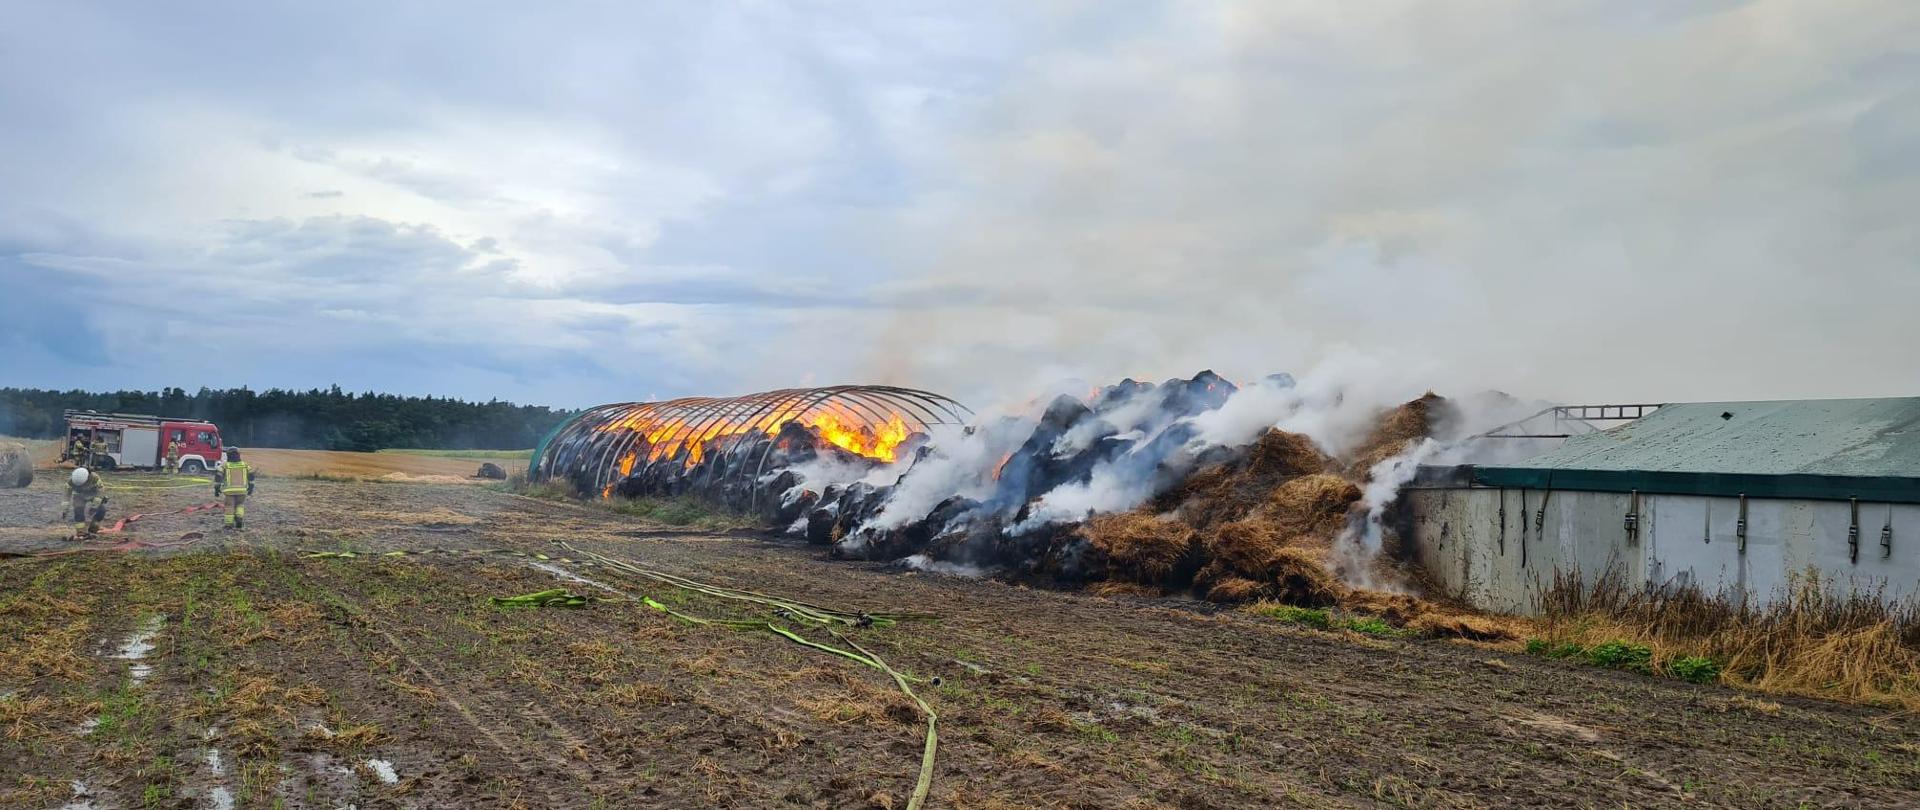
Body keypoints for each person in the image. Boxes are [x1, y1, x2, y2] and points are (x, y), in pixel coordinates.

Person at [213, 448, 255, 530]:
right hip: (242, 491)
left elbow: (218, 476)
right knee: (240, 505)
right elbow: (251, 475)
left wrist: (217, 489)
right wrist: (251, 488)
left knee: (229, 506)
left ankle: (229, 525)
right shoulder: (245, 465)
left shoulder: (225, 465)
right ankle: (239, 519)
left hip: (229, 491)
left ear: (228, 455)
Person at [68, 467, 107, 538]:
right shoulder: (71, 480)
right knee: (78, 512)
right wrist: (65, 507)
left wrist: (94, 507)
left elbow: (100, 492)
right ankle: (80, 533)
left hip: (93, 494)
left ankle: (93, 530)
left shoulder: (95, 478)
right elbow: (66, 493)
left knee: (101, 510)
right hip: (79, 495)